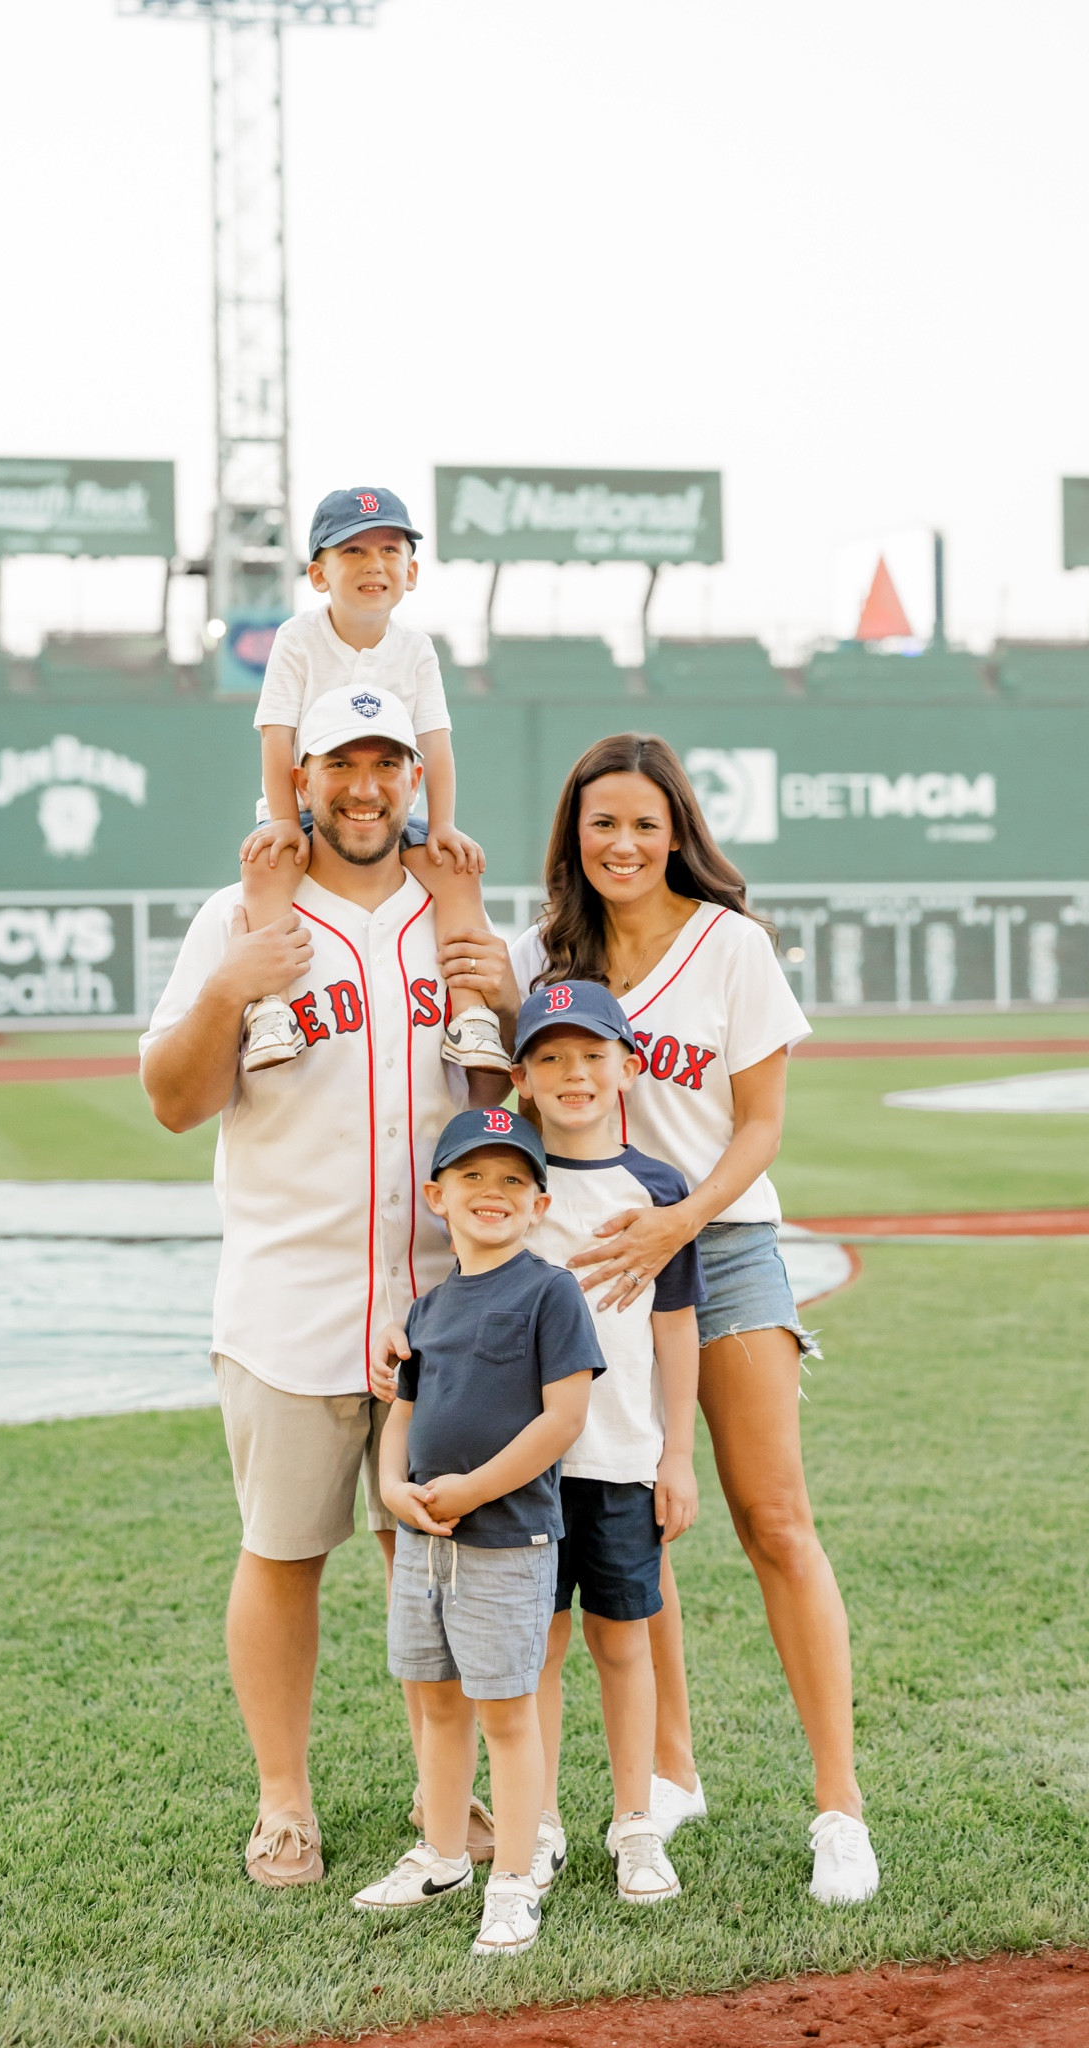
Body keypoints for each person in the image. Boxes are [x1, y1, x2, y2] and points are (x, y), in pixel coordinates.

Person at [139, 687, 517, 1892]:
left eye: (385, 762)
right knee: (282, 1550)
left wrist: (500, 995)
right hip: (288, 1298)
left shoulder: (451, 919)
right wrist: (224, 988)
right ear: (300, 779)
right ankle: (283, 1801)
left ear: (414, 777)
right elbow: (174, 1098)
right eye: (339, 763)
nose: (363, 785)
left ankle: (438, 1783)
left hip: (443, 1303)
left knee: (437, 1553)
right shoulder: (239, 915)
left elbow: (503, 1115)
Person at [509, 732, 880, 1906]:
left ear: (678, 833)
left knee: (774, 1516)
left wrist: (682, 1222)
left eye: (644, 823)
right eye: (600, 822)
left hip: (717, 1241)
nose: (622, 844)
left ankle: (839, 1806)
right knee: (631, 1510)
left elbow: (761, 1128)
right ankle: (669, 1768)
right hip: (596, 1253)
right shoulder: (547, 954)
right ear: (574, 833)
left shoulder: (730, 945)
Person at [357, 1108, 602, 1958]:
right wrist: (395, 1489)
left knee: (506, 1712)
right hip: (427, 1542)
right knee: (434, 1703)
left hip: (505, 1542)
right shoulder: (427, 1308)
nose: (490, 1194)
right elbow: (405, 1411)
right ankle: (443, 1854)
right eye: (471, 1178)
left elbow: (562, 1418)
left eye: (511, 1181)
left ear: (539, 1203)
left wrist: (475, 1488)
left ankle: (516, 1877)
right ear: (437, 1196)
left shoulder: (549, 1291)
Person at [512, 980, 703, 1907]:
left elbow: (675, 1328)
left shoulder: (659, 1191)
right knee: (537, 1649)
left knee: (623, 1645)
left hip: (625, 1457)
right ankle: (537, 1820)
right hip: (525, 1471)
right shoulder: (509, 1179)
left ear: (628, 1065)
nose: (573, 1073)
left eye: (592, 1055)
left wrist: (677, 1455)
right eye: (549, 1056)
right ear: (522, 1076)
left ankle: (635, 1820)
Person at [236, 486, 508, 1077]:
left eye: (389, 549)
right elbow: (276, 737)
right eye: (352, 551)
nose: (373, 564)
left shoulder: (415, 649)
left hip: (386, 810)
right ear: (318, 573)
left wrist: (442, 826)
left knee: (454, 867)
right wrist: (285, 819)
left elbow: (435, 745)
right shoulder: (297, 638)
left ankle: (471, 1019)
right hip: (306, 802)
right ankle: (270, 1009)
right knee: (270, 864)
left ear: (410, 572)